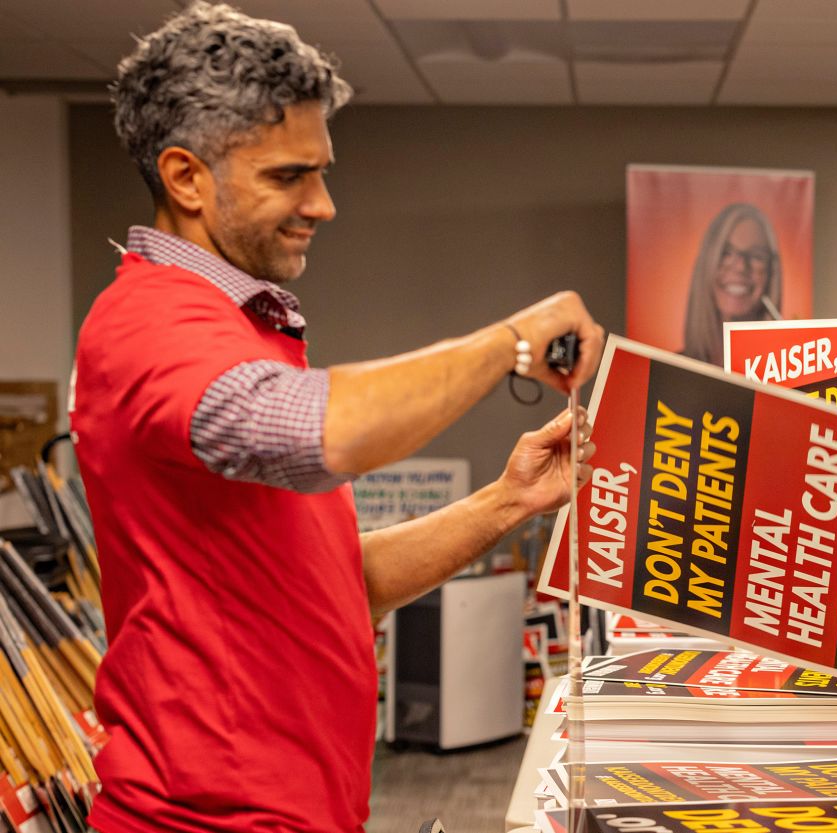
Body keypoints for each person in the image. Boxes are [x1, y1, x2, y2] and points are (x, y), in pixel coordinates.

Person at [68, 4, 604, 831]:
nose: (322, 204)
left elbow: (334, 584)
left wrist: (512, 499)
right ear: (186, 178)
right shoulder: (151, 322)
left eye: (321, 171)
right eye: (288, 176)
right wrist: (511, 342)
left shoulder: (240, 327)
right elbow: (327, 434)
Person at [681, 202, 782, 364]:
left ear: (771, 272)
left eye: (757, 256)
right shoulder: (670, 370)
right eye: (726, 253)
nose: (741, 266)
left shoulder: (791, 373)